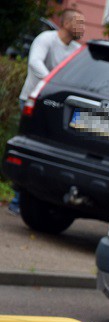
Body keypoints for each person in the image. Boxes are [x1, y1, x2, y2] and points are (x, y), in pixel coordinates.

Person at [10, 9, 85, 215]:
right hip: (33, 100)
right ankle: (17, 200)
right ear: (67, 23)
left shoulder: (77, 50)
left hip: (60, 106)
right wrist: (55, 84)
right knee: (30, 145)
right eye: (79, 23)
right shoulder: (46, 39)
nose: (83, 29)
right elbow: (35, 63)